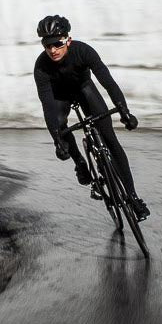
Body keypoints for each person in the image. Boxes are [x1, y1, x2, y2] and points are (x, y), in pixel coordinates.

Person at [33, 15, 150, 220]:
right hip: (59, 97)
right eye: (47, 45)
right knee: (60, 124)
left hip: (83, 89)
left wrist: (124, 111)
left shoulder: (83, 51)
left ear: (68, 40)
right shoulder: (41, 67)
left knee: (111, 141)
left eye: (57, 44)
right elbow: (48, 108)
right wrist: (58, 141)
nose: (53, 50)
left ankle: (133, 198)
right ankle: (80, 164)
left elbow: (108, 82)